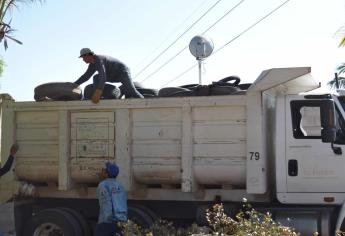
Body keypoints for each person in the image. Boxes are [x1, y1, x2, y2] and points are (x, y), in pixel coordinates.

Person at [74, 48, 144, 103]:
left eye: (83, 57)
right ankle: (100, 95)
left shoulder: (98, 59)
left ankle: (145, 103)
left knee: (131, 91)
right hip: (113, 74)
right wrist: (74, 85)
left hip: (123, 72)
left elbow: (103, 76)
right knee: (96, 77)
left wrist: (99, 91)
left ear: (88, 55)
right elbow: (85, 77)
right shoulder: (92, 65)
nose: (83, 60)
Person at [94, 162, 127, 236]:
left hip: (107, 223)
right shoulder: (120, 185)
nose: (101, 171)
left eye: (103, 170)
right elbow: (123, 202)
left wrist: (108, 219)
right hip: (121, 221)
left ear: (106, 173)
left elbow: (106, 203)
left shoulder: (103, 185)